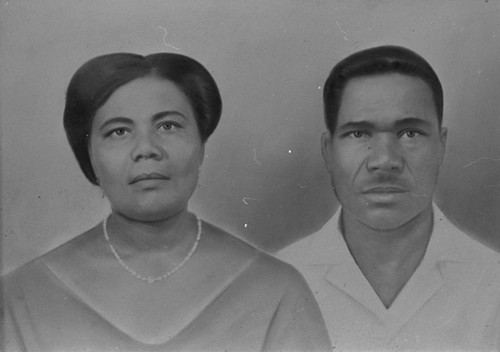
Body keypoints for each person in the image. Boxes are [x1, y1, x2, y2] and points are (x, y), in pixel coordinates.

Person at [1, 52, 331, 351]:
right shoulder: (21, 297)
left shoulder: (276, 290)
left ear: (201, 145)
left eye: (168, 125)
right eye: (118, 131)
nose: (147, 148)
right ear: (88, 156)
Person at [278, 45, 500, 351]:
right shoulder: (275, 285)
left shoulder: (493, 285)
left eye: (410, 133)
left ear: (441, 145)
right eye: (359, 134)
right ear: (328, 151)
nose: (384, 161)